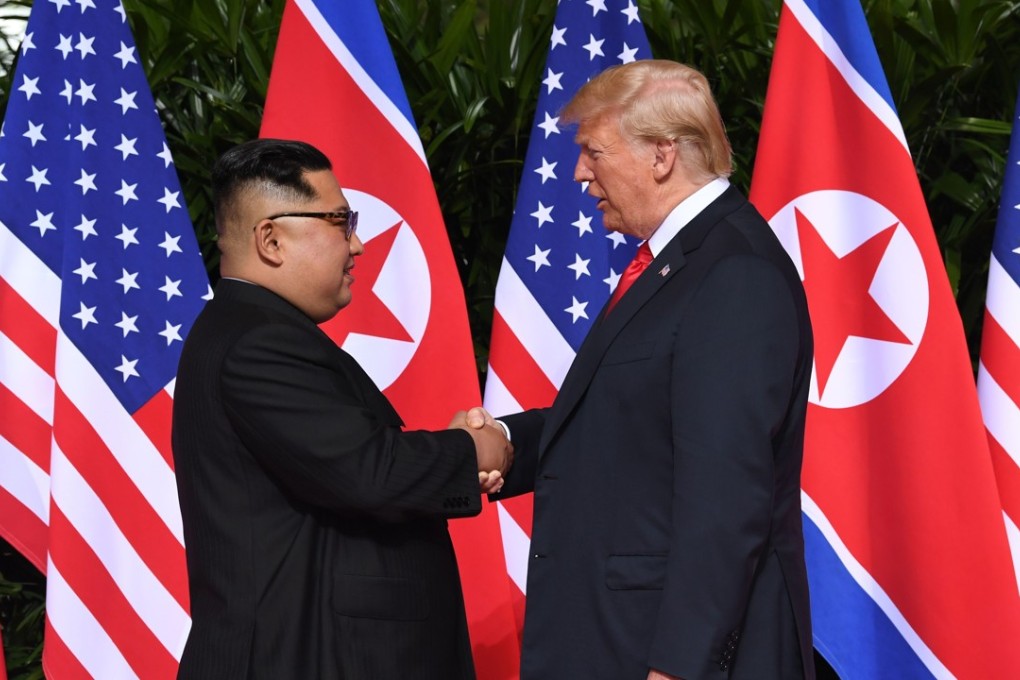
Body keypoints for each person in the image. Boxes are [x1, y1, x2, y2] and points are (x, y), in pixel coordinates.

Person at [471, 60, 815, 679]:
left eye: (594, 152)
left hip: (663, 654)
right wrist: (506, 442)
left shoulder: (733, 274)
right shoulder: (678, 262)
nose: (580, 173)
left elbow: (727, 500)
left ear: (662, 155)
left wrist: (680, 667)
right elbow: (626, 421)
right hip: (617, 639)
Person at [171, 138, 511, 679]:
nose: (357, 245)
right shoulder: (257, 343)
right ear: (272, 239)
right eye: (340, 221)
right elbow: (370, 472)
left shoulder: (254, 331)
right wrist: (474, 448)